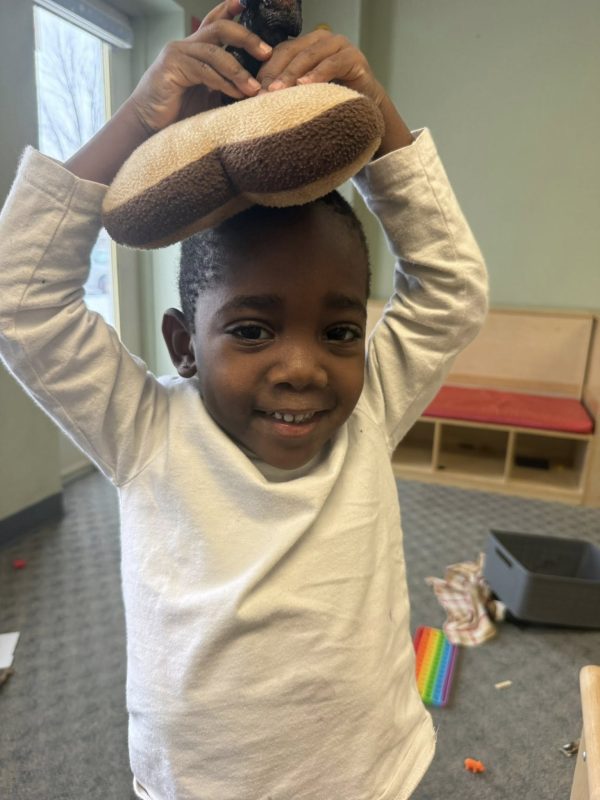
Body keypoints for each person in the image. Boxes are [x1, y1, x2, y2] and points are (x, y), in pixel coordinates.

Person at [0, 1, 488, 797]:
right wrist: (137, 119)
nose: (303, 369)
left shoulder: (365, 415)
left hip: (367, 776)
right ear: (184, 344)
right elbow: (21, 301)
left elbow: (451, 293)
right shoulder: (145, 430)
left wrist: (374, 114)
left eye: (339, 332)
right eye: (253, 330)